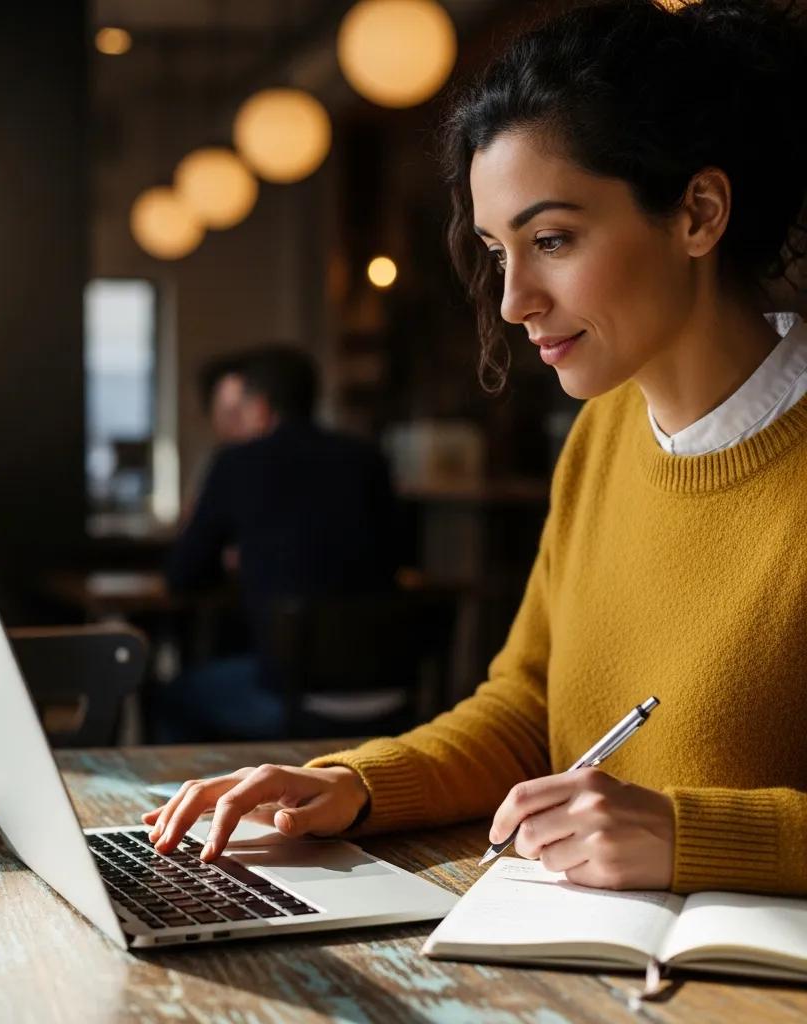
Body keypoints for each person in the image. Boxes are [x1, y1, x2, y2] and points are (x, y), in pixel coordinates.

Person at [143, 0, 807, 897]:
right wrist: (351, 784)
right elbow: (525, 710)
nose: (513, 300)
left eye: (553, 240)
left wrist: (691, 832)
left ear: (697, 212)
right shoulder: (604, 432)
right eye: (500, 252)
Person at [158, 346, 398, 741]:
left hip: (291, 697)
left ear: (260, 406)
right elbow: (395, 557)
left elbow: (182, 574)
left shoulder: (237, 463)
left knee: (175, 697)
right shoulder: (369, 459)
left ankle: (193, 801)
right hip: (389, 687)